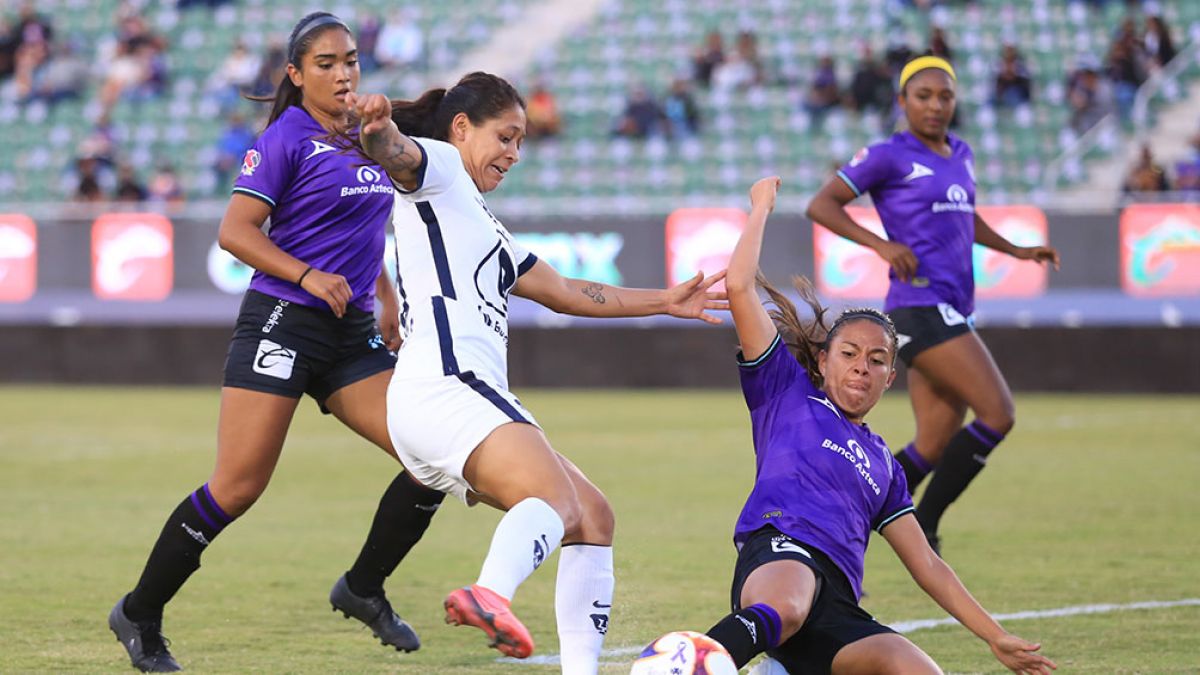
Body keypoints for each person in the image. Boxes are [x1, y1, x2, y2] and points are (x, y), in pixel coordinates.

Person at [345, 71, 727, 668]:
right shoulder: (442, 167)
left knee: (593, 516)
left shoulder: (481, 220)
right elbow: (398, 153)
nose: (514, 154)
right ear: (463, 127)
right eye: (506, 137)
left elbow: (567, 291)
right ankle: (490, 593)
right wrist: (379, 132)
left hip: (444, 401)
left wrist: (665, 301)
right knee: (555, 499)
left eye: (522, 142)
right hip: (447, 387)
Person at [107, 13, 446, 672]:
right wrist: (307, 274)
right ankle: (139, 613)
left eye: (350, 59)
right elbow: (236, 232)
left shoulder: (363, 135)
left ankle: (362, 586)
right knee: (237, 487)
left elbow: (356, 225)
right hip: (282, 322)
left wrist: (380, 293)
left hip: (348, 334)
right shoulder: (285, 136)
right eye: (325, 62)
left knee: (432, 455)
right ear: (295, 74)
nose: (343, 72)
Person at [702, 175, 1057, 675]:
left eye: (876, 361)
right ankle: (685, 664)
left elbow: (928, 566)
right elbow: (739, 285)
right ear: (824, 361)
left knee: (919, 670)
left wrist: (995, 637)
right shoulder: (785, 390)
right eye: (848, 354)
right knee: (789, 604)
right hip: (779, 555)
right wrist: (760, 206)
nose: (860, 368)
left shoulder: (884, 466)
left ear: (890, 377)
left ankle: (778, 670)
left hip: (837, 608)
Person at [805, 56, 1060, 554]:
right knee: (998, 414)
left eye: (945, 96)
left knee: (932, 445)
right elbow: (821, 204)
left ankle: (828, 528)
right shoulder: (888, 155)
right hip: (918, 305)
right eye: (923, 96)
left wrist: (1016, 250)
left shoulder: (960, 152)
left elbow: (966, 218)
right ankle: (926, 527)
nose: (936, 105)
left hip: (953, 306)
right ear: (902, 102)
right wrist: (880, 245)